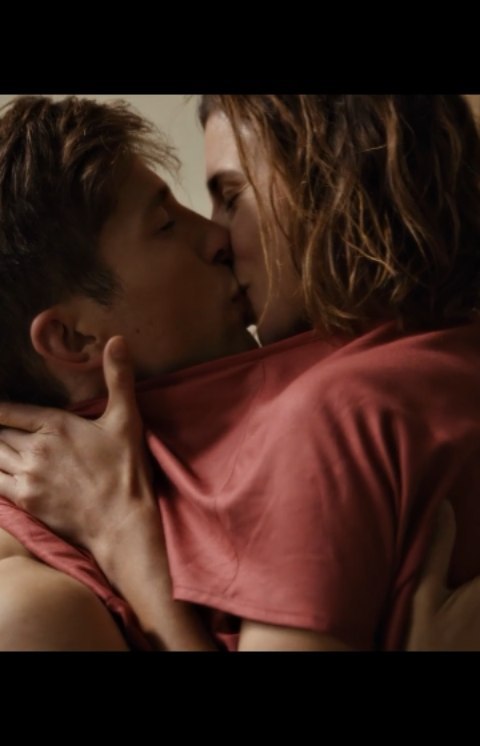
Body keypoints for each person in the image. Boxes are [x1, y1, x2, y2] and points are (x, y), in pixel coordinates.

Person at [2, 94, 480, 651]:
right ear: (74, 338)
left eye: (231, 197)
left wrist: (125, 537)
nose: (217, 239)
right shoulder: (30, 605)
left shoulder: (347, 406)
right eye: (165, 224)